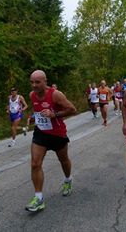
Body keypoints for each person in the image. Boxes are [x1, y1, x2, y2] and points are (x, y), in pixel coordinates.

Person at [25, 70, 77, 212]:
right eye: (32, 82)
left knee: (64, 160)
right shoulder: (32, 95)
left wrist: (54, 114)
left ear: (45, 81)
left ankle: (68, 180)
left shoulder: (55, 94)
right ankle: (39, 198)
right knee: (35, 164)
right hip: (41, 133)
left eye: (37, 82)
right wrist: (33, 117)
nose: (34, 85)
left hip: (57, 134)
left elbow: (72, 109)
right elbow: (37, 110)